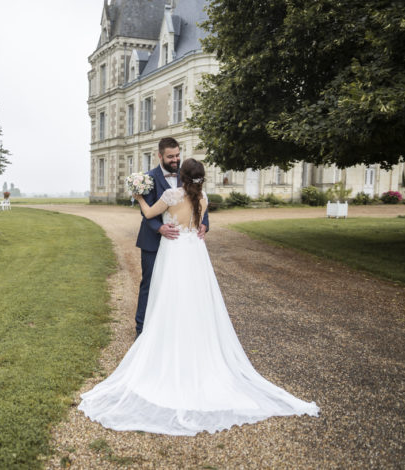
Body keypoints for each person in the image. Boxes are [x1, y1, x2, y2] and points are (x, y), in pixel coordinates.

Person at [78, 158, 319, 435]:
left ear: (181, 176)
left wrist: (138, 197)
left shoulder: (171, 195)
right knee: (197, 301)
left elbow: (148, 215)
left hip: (175, 251)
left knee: (171, 299)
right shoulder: (203, 197)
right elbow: (199, 221)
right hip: (195, 253)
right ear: (201, 178)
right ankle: (198, 349)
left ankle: (171, 348)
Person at [134, 137, 208, 338]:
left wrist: (203, 224)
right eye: (171, 156)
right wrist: (160, 228)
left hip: (180, 244)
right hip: (153, 240)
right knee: (150, 284)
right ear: (160, 156)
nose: (175, 160)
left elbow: (198, 203)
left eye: (177, 155)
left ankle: (172, 330)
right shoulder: (147, 178)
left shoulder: (187, 173)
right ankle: (142, 330)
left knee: (179, 285)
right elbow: (147, 214)